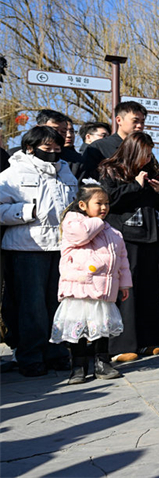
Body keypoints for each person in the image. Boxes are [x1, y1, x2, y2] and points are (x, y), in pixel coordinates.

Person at [0, 126, 77, 376]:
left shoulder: (65, 171)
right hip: (27, 248)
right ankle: (30, 356)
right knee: (32, 307)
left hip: (62, 247)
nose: (53, 153)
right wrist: (26, 212)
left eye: (57, 148)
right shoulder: (12, 173)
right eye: (47, 148)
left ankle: (56, 353)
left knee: (58, 304)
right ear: (30, 148)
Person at [98, 132, 159, 361]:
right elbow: (110, 200)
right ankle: (121, 345)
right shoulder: (111, 169)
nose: (148, 157)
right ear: (133, 151)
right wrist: (135, 186)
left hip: (151, 237)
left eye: (150, 152)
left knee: (150, 290)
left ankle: (148, 341)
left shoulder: (150, 171)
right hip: (125, 237)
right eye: (145, 152)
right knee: (126, 291)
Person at [51, 182, 131, 383]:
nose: (104, 208)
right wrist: (99, 222)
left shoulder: (114, 233)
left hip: (102, 290)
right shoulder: (73, 223)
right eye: (99, 203)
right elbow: (82, 235)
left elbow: (122, 261)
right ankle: (78, 366)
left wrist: (124, 284)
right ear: (82, 205)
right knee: (78, 330)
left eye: (107, 203)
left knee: (100, 328)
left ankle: (102, 363)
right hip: (79, 288)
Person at [81, 101, 147, 180]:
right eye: (135, 121)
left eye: (142, 122)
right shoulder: (98, 147)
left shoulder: (144, 148)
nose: (140, 126)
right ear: (119, 120)